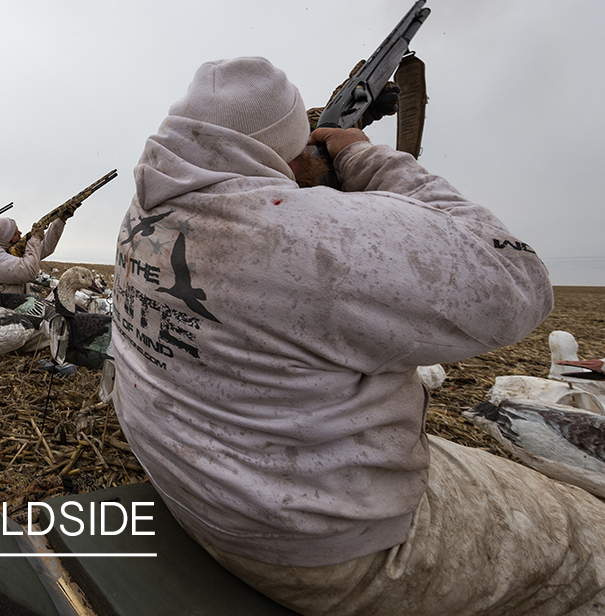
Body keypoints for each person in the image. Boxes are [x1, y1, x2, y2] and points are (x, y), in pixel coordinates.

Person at [109, 57, 604, 615]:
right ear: (288, 150)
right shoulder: (311, 239)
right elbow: (520, 282)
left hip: (195, 486)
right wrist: (363, 157)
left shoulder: (146, 209)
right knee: (589, 544)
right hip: (316, 545)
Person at [0, 215, 67, 294]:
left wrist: (60, 220)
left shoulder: (2, 246)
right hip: (2, 307)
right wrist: (35, 238)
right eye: (15, 233)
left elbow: (44, 248)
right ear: (5, 238)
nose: (20, 233)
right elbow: (29, 271)